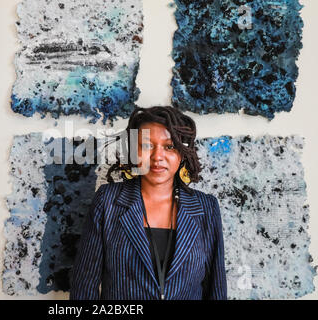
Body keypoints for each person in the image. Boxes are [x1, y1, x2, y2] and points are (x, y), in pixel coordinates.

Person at [69, 106, 227, 300]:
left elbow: (216, 289)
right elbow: (84, 287)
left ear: (182, 153)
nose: (157, 157)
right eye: (147, 145)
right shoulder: (108, 201)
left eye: (169, 146)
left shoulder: (206, 208)